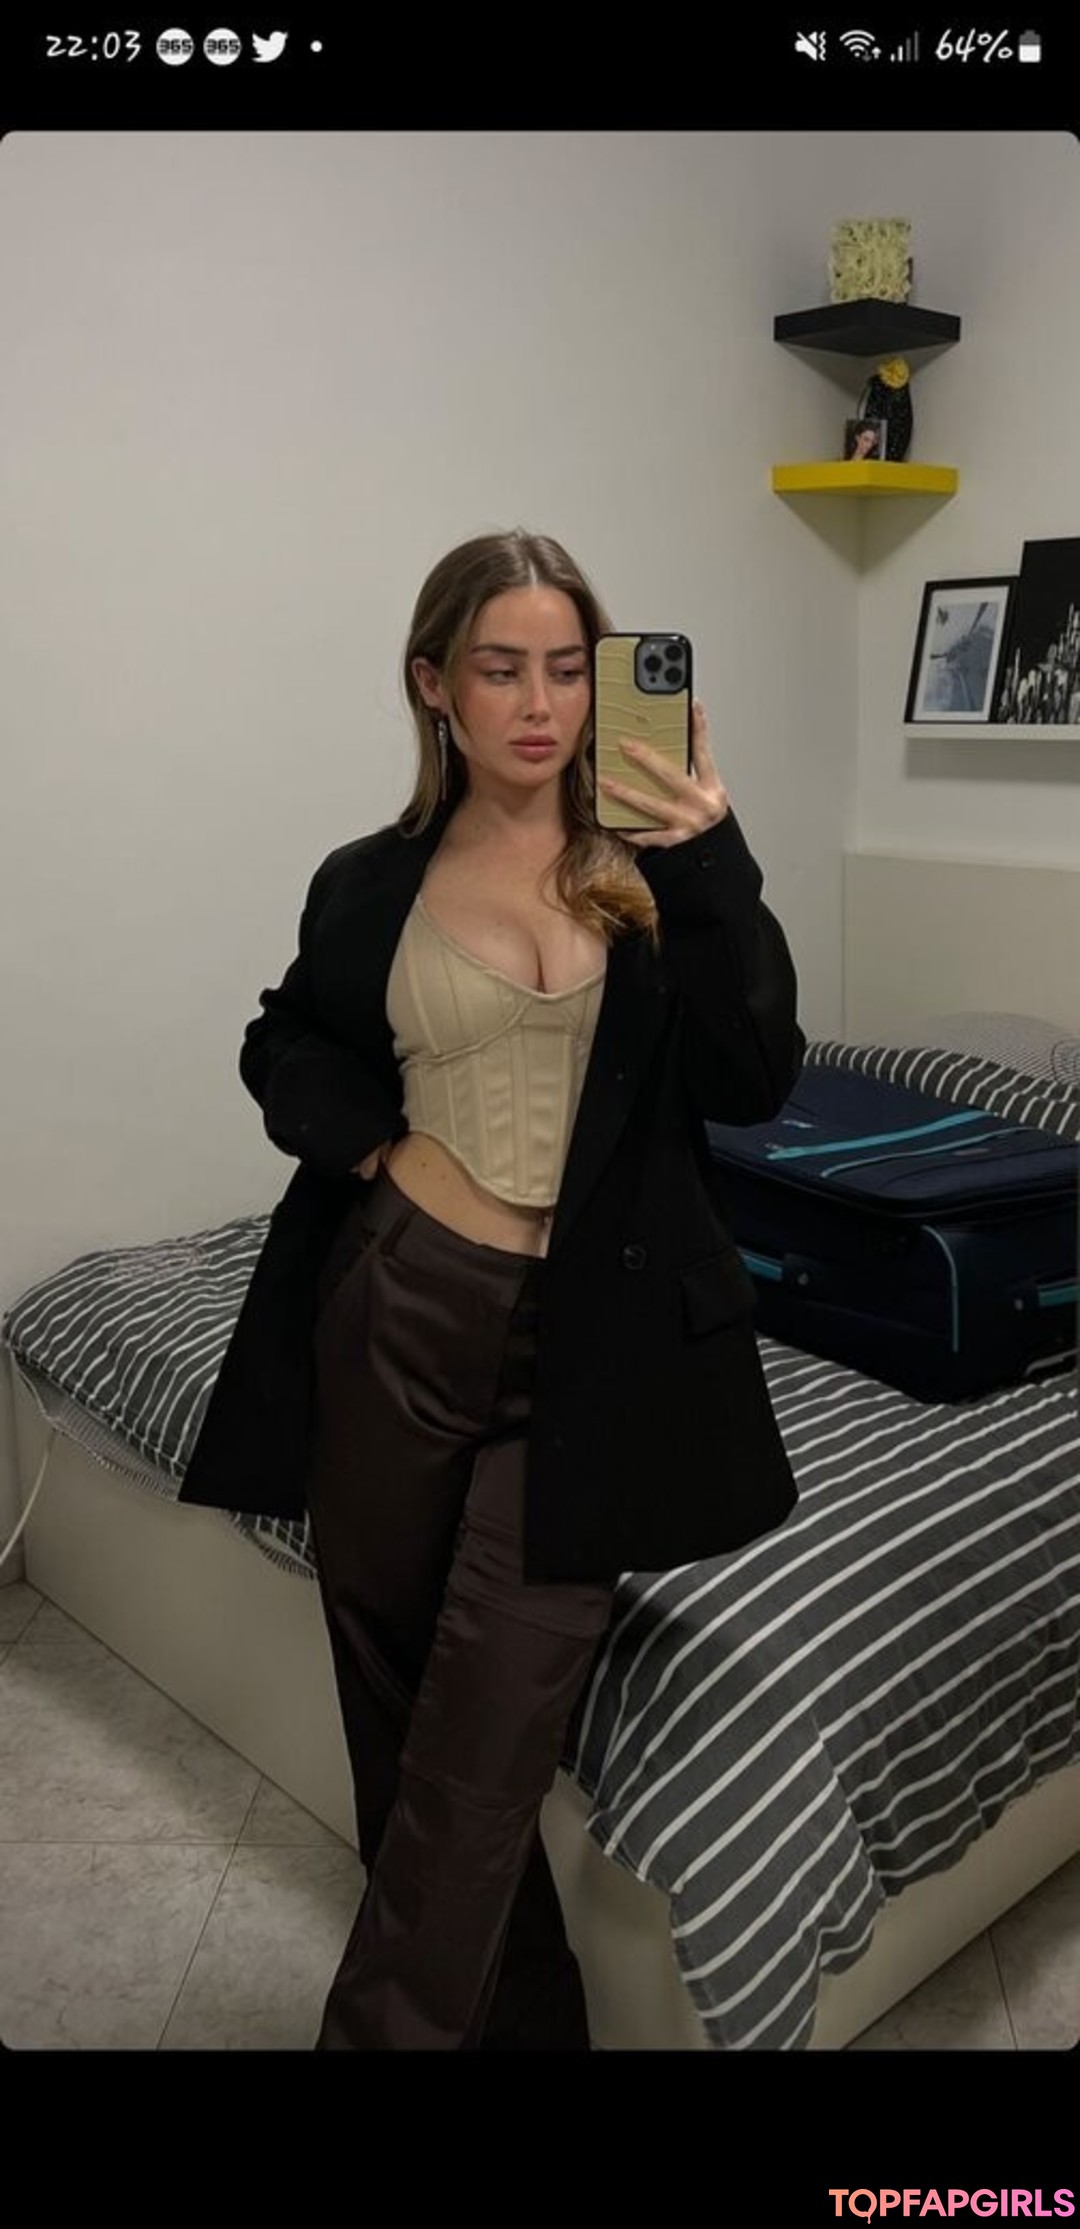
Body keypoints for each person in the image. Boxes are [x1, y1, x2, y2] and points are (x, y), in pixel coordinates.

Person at [179, 528, 805, 2051]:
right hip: (398, 1304)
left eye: (570, 669)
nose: (541, 704)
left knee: (485, 1730)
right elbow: (283, 1035)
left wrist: (710, 854)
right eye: (502, 668)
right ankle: (533, 2028)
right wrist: (368, 1142)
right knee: (394, 1691)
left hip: (595, 1342)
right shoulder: (368, 882)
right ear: (434, 685)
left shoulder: (657, 869)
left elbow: (756, 1074)